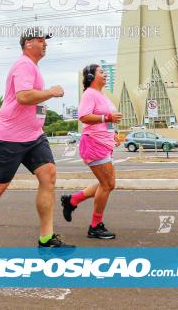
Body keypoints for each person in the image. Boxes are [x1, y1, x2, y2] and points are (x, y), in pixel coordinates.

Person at [0, 27, 72, 248]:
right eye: (41, 40)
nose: (45, 44)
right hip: (10, 137)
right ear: (28, 44)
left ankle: (46, 237)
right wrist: (51, 92)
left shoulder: (33, 68)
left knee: (49, 176)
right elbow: (24, 96)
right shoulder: (23, 65)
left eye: (46, 41)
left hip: (34, 136)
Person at [60, 63, 122, 239]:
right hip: (94, 144)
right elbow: (83, 116)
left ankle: (72, 200)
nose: (105, 75)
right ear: (91, 77)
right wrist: (107, 117)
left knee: (107, 183)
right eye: (101, 72)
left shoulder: (102, 96)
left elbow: (106, 121)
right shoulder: (89, 94)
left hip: (104, 143)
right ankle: (95, 226)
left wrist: (114, 134)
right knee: (108, 184)